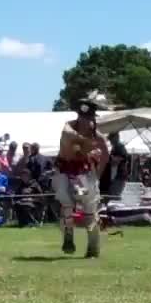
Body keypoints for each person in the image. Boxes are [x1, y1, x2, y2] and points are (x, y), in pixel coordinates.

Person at [54, 98, 109, 257]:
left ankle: (93, 247)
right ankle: (68, 235)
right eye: (82, 117)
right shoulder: (68, 127)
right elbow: (68, 135)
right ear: (78, 116)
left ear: (92, 118)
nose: (84, 121)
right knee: (66, 202)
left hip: (85, 171)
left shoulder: (96, 135)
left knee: (90, 209)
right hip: (64, 169)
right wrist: (87, 145)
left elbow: (105, 153)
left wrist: (98, 174)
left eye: (88, 118)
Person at [99, 131, 130, 199]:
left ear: (116, 137)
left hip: (119, 177)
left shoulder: (119, 147)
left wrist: (106, 159)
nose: (110, 141)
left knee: (114, 197)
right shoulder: (115, 147)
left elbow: (116, 161)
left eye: (111, 138)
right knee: (113, 196)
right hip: (117, 177)